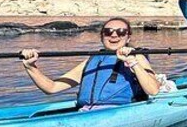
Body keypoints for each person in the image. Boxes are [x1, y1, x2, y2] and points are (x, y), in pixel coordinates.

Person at [20, 18, 160, 111]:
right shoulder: (92, 61)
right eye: (108, 32)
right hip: (86, 112)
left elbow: (153, 90)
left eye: (121, 32)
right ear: (102, 36)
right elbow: (52, 88)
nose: (114, 35)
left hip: (121, 111)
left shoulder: (137, 57)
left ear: (128, 37)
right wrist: (30, 66)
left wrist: (132, 62)